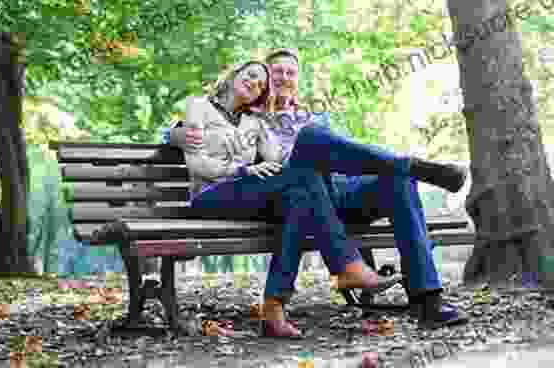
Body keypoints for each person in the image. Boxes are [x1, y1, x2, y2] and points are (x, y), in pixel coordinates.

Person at [170, 49, 469, 329]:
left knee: (398, 181)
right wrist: (174, 132)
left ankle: (428, 300)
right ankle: (407, 164)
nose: (283, 78)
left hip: (341, 192)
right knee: (311, 141)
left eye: (290, 73)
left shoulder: (313, 115)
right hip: (303, 198)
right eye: (276, 73)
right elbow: (201, 133)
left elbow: (348, 155)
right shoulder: (252, 116)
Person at [179, 61, 400, 338]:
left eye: (261, 84)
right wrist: (242, 169)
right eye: (250, 76)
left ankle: (274, 307)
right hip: (209, 196)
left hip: (245, 195)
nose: (254, 84)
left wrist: (306, 146)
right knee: (300, 186)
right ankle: (346, 266)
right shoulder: (198, 106)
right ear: (234, 74)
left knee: (299, 197)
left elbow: (279, 160)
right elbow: (196, 164)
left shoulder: (254, 122)